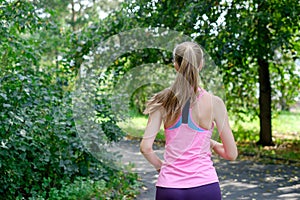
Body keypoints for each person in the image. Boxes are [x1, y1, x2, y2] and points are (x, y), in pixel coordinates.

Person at [140, 41, 238, 200]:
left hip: (169, 188)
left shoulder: (162, 101)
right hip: (205, 187)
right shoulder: (215, 103)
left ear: (175, 66)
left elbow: (145, 148)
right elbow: (231, 154)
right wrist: (210, 143)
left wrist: (161, 168)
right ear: (201, 64)